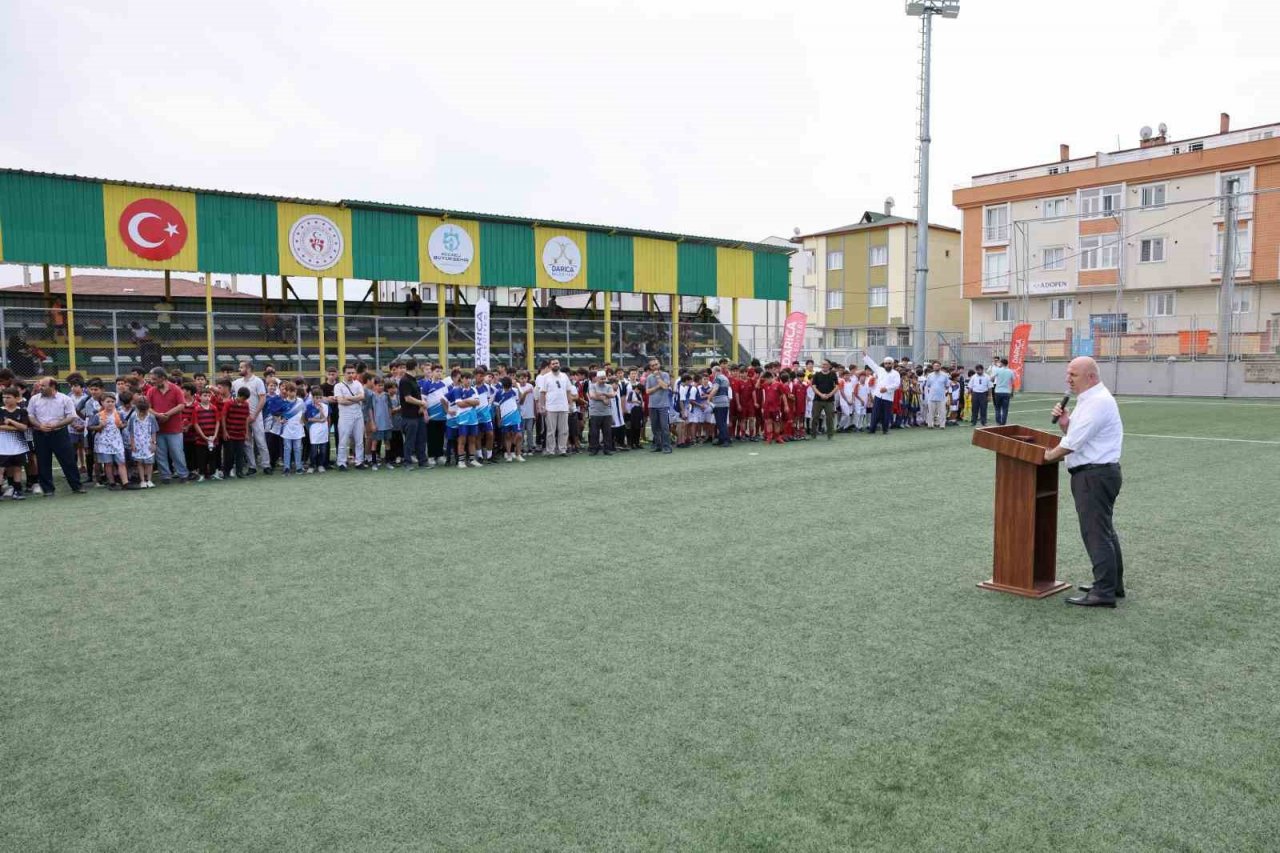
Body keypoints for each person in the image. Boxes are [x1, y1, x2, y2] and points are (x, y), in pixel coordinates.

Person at [1045, 356, 1126, 608]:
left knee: (1096, 533)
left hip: (1095, 475)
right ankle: (1112, 584)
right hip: (1097, 473)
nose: (1068, 378)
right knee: (1104, 531)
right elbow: (1077, 435)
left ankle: (1103, 591)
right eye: (1068, 373)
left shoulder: (1097, 402)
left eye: (1074, 374)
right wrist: (1065, 423)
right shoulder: (1090, 399)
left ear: (1091, 376)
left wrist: (1045, 457)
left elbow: (1072, 444)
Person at [26, 377, 86, 495]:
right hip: (40, 433)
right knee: (43, 461)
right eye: (40, 385)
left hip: (60, 433)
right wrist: (39, 425)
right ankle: (48, 489)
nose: (40, 387)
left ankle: (77, 486)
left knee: (68, 460)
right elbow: (30, 415)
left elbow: (71, 416)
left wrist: (57, 425)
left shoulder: (65, 399)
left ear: (52, 386)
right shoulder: (34, 399)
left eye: (43, 385)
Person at [232, 361, 271, 476]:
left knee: (260, 441)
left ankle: (266, 465)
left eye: (241, 367)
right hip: (242, 417)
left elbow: (263, 399)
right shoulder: (236, 383)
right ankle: (252, 466)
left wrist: (254, 414)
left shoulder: (258, 381)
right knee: (247, 442)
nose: (239, 369)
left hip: (256, 416)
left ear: (248, 368)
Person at [537, 358, 574, 457]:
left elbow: (568, 391)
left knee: (564, 430)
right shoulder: (546, 377)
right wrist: (542, 407)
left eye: (557, 363)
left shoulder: (564, 376)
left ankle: (562, 449)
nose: (555, 365)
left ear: (559, 364)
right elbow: (542, 393)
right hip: (550, 408)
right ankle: (551, 450)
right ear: (550, 366)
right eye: (553, 364)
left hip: (563, 407)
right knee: (550, 431)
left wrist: (571, 405)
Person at [333, 364, 367, 470]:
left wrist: (348, 397)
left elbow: (362, 396)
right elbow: (341, 401)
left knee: (359, 440)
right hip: (345, 416)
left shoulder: (358, 384)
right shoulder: (338, 386)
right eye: (348, 373)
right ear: (344, 373)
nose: (351, 375)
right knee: (343, 440)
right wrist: (355, 399)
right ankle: (341, 463)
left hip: (358, 415)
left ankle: (359, 462)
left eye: (353, 372)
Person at [216, 387, 252, 480]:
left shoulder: (246, 405)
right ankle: (226, 472)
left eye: (246, 399)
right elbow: (223, 417)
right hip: (230, 434)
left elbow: (246, 419)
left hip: (240, 434)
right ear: (239, 395)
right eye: (243, 398)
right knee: (229, 455)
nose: (244, 400)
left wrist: (246, 433)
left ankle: (239, 472)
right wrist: (225, 432)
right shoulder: (229, 403)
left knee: (240, 454)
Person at [863, 355, 900, 435]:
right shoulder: (880, 370)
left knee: (886, 414)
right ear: (884, 364)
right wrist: (865, 356)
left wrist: (886, 388)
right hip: (878, 395)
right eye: (886, 363)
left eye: (889, 363)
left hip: (888, 397)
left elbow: (897, 384)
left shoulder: (896, 373)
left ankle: (885, 430)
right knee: (875, 413)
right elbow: (872, 364)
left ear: (892, 364)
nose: (887, 365)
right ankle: (872, 429)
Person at [644, 358, 673, 453]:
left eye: (656, 364)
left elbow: (665, 386)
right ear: (650, 367)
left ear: (659, 364)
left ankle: (667, 446)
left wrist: (657, 377)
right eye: (652, 365)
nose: (655, 366)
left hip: (663, 405)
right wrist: (657, 386)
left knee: (665, 427)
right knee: (655, 427)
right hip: (652, 405)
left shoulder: (665, 375)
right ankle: (658, 445)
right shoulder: (648, 377)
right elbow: (647, 391)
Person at [130, 397, 159, 488]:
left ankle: (149, 480)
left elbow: (153, 431)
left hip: (148, 442)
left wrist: (154, 443)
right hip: (137, 442)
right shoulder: (133, 417)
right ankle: (142, 480)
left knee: (149, 462)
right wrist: (133, 444)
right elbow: (131, 432)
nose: (143, 413)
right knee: (139, 462)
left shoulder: (151, 417)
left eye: (145, 410)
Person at [586, 370, 616, 456]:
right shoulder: (592, 386)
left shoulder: (609, 386)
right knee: (594, 432)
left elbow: (613, 395)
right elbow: (592, 396)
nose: (603, 380)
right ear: (597, 378)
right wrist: (604, 398)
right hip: (595, 413)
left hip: (607, 413)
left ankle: (607, 449)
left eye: (604, 379)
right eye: (601, 379)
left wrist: (601, 394)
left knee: (607, 432)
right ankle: (594, 449)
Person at [809, 360, 838, 440]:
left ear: (829, 366)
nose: (824, 366)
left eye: (826, 364)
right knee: (815, 417)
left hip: (830, 400)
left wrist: (830, 394)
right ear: (821, 365)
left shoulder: (833, 374)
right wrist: (821, 394)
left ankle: (830, 435)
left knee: (830, 418)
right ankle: (813, 434)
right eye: (823, 364)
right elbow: (814, 386)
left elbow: (837, 386)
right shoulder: (817, 375)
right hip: (817, 400)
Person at [922, 362, 949, 429]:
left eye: (937, 366)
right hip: (931, 397)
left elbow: (947, 385)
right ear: (933, 367)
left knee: (942, 412)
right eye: (935, 366)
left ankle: (942, 425)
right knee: (930, 412)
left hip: (941, 397)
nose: (936, 367)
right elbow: (927, 385)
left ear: (940, 366)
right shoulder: (930, 375)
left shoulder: (945, 375)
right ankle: (930, 425)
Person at [991, 357, 1016, 426]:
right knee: (1005, 408)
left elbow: (991, 379)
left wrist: (994, 380)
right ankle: (1003, 422)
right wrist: (1012, 392)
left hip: (998, 391)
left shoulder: (998, 370)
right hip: (1006, 392)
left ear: (1001, 363)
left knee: (997, 408)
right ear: (1007, 364)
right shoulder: (1011, 371)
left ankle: (998, 422)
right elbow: (1013, 383)